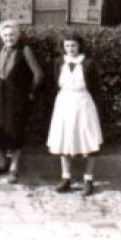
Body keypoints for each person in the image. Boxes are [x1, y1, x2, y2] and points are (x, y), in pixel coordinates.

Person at [46, 34, 104, 196]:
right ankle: (66, 178)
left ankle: (88, 179)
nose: (70, 49)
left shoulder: (88, 63)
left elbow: (96, 86)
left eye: (73, 46)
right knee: (65, 139)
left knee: (88, 139)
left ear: (79, 46)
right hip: (64, 102)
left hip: (83, 102)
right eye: (67, 46)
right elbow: (55, 83)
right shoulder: (59, 63)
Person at [0, 21, 44, 184]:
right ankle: (2, 163)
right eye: (5, 35)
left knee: (15, 129)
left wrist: (30, 91)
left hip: (17, 96)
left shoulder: (25, 50)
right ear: (1, 37)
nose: (9, 38)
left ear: (18, 36)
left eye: (12, 35)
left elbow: (38, 74)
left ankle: (14, 167)